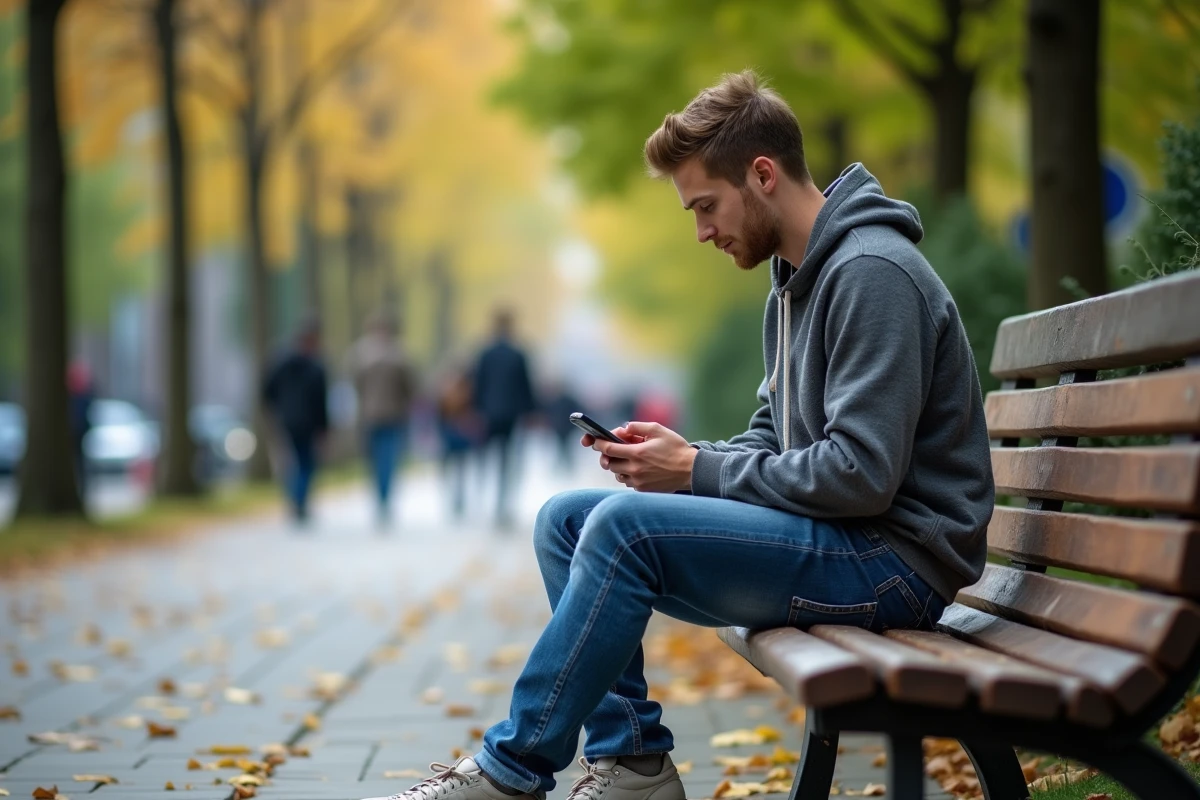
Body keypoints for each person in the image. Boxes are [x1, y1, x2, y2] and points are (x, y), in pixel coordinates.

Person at [361, 71, 993, 800]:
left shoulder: (870, 273)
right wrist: (679, 456)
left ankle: (512, 770)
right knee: (565, 522)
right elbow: (772, 436)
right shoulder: (796, 280)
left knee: (624, 532)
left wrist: (695, 471)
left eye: (705, 206)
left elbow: (860, 474)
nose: (701, 232)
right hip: (851, 539)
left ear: (762, 175)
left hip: (894, 562)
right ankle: (632, 764)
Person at [346, 313, 419, 528]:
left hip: (374, 415)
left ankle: (381, 499)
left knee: (379, 461)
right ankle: (383, 500)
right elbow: (411, 386)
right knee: (386, 460)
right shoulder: (399, 354)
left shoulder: (359, 354)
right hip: (391, 415)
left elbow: (353, 382)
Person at [472, 309, 537, 529]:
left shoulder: (485, 353)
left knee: (485, 458)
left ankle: (482, 499)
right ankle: (503, 504)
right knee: (507, 460)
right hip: (511, 414)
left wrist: (476, 409)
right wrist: (530, 411)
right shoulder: (518, 353)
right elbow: (526, 386)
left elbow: (478, 383)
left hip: (488, 413)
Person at [263, 320, 329, 524]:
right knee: (305, 463)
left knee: (293, 461)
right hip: (307, 423)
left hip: (287, 419)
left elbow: (267, 389)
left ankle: (295, 499)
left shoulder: (281, 362)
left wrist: (277, 409)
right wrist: (324, 427)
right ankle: (299, 501)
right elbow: (320, 401)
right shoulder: (316, 366)